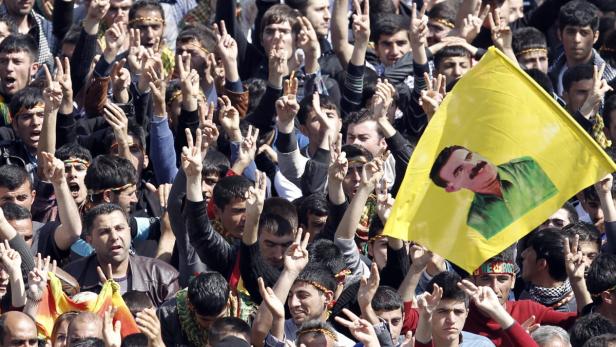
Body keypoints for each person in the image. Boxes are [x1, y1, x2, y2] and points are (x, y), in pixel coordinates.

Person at [63, 203, 179, 306]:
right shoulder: (72, 278)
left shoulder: (163, 276)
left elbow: (175, 326)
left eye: (119, 228)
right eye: (104, 232)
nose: (114, 237)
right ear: (90, 241)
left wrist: (157, 328)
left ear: (129, 231)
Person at [429, 145, 558, 238]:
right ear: (452, 188)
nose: (473, 164)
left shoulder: (528, 167)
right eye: (459, 170)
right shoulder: (477, 224)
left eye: (469, 156)